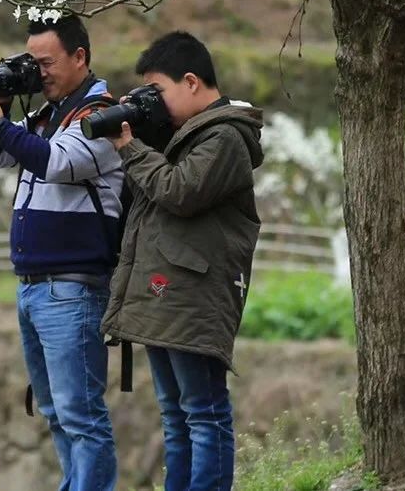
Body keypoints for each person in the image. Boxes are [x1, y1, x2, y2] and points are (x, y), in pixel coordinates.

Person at [98, 31, 264, 491]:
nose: (157, 102)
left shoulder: (227, 136)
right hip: (165, 291)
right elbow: (146, 196)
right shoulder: (183, 136)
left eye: (159, 92)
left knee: (204, 413)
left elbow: (179, 191)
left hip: (194, 296)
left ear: (191, 81)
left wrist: (131, 147)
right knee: (176, 417)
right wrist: (146, 131)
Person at [0, 14, 123, 491]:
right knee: (56, 412)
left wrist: (0, 122)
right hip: (35, 290)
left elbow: (55, 162)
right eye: (32, 64)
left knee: (82, 415)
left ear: (80, 57)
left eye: (46, 63)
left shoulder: (102, 116)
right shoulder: (46, 115)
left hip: (72, 287)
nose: (41, 72)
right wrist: (3, 101)